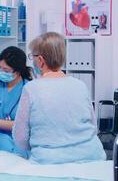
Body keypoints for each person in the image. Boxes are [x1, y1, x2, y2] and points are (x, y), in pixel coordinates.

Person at [12, 32, 106, 164]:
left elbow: (20, 138)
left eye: (32, 57)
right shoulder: (80, 85)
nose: (32, 60)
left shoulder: (32, 88)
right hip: (92, 156)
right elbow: (93, 127)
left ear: (40, 60)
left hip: (50, 160)